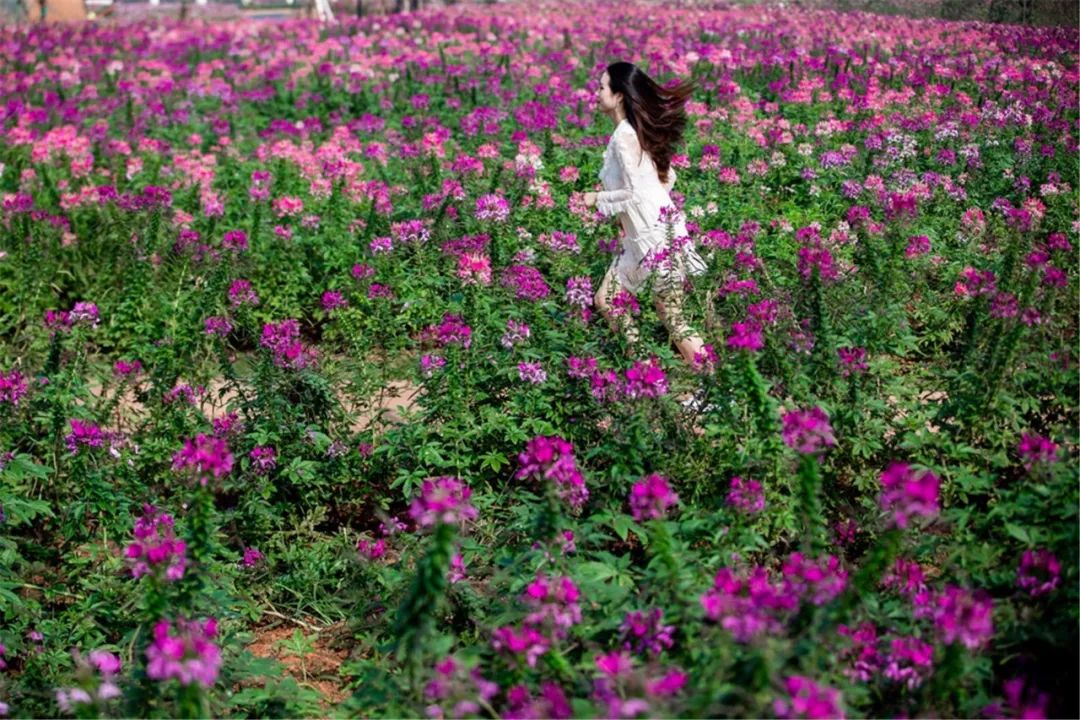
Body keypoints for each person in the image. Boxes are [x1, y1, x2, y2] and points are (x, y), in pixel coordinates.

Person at [582, 61, 709, 367]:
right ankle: (649, 376)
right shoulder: (629, 132)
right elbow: (666, 179)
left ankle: (714, 387)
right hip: (644, 237)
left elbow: (636, 192)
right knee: (608, 300)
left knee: (672, 318)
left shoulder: (625, 136)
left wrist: (596, 198)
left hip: (655, 238)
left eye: (601, 87)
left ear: (619, 95)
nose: (596, 93)